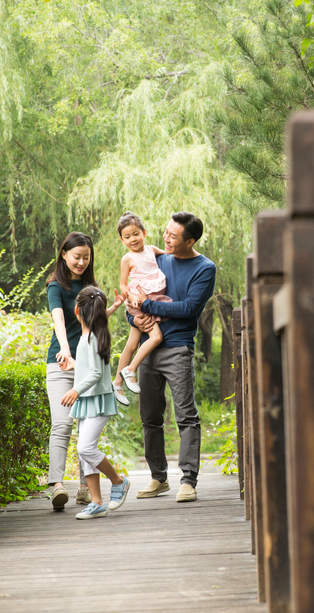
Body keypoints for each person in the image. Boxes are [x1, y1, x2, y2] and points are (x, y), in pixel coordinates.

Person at [126, 212, 217, 503]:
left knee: (185, 416)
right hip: (148, 348)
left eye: (173, 236)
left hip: (177, 347)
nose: (165, 239)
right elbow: (134, 299)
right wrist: (134, 320)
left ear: (189, 241)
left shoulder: (205, 268)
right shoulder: (157, 259)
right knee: (150, 417)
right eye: (165, 232)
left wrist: (149, 304)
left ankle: (188, 480)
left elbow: (188, 308)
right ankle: (158, 478)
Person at [44, 232, 123, 510]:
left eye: (86, 257)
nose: (81, 262)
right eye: (76, 256)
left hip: (88, 366)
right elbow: (60, 321)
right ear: (63, 254)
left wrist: (111, 308)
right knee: (62, 423)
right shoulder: (56, 286)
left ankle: (85, 489)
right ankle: (56, 485)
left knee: (84, 431)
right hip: (62, 363)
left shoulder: (91, 285)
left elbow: (92, 320)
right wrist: (65, 349)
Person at [59, 286, 131, 519]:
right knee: (85, 454)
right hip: (90, 400)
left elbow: (96, 374)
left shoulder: (92, 337)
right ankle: (97, 502)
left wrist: (75, 390)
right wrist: (75, 365)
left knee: (85, 448)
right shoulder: (92, 334)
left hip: (96, 400)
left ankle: (118, 481)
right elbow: (89, 367)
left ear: (77, 310)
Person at [112, 212, 172, 406]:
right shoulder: (127, 259)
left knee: (131, 345)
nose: (132, 239)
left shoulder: (152, 250)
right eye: (127, 237)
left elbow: (170, 256)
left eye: (136, 234)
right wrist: (133, 296)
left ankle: (117, 383)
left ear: (144, 233)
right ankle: (131, 370)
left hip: (152, 300)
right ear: (122, 239)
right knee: (156, 337)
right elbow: (122, 285)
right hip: (139, 303)